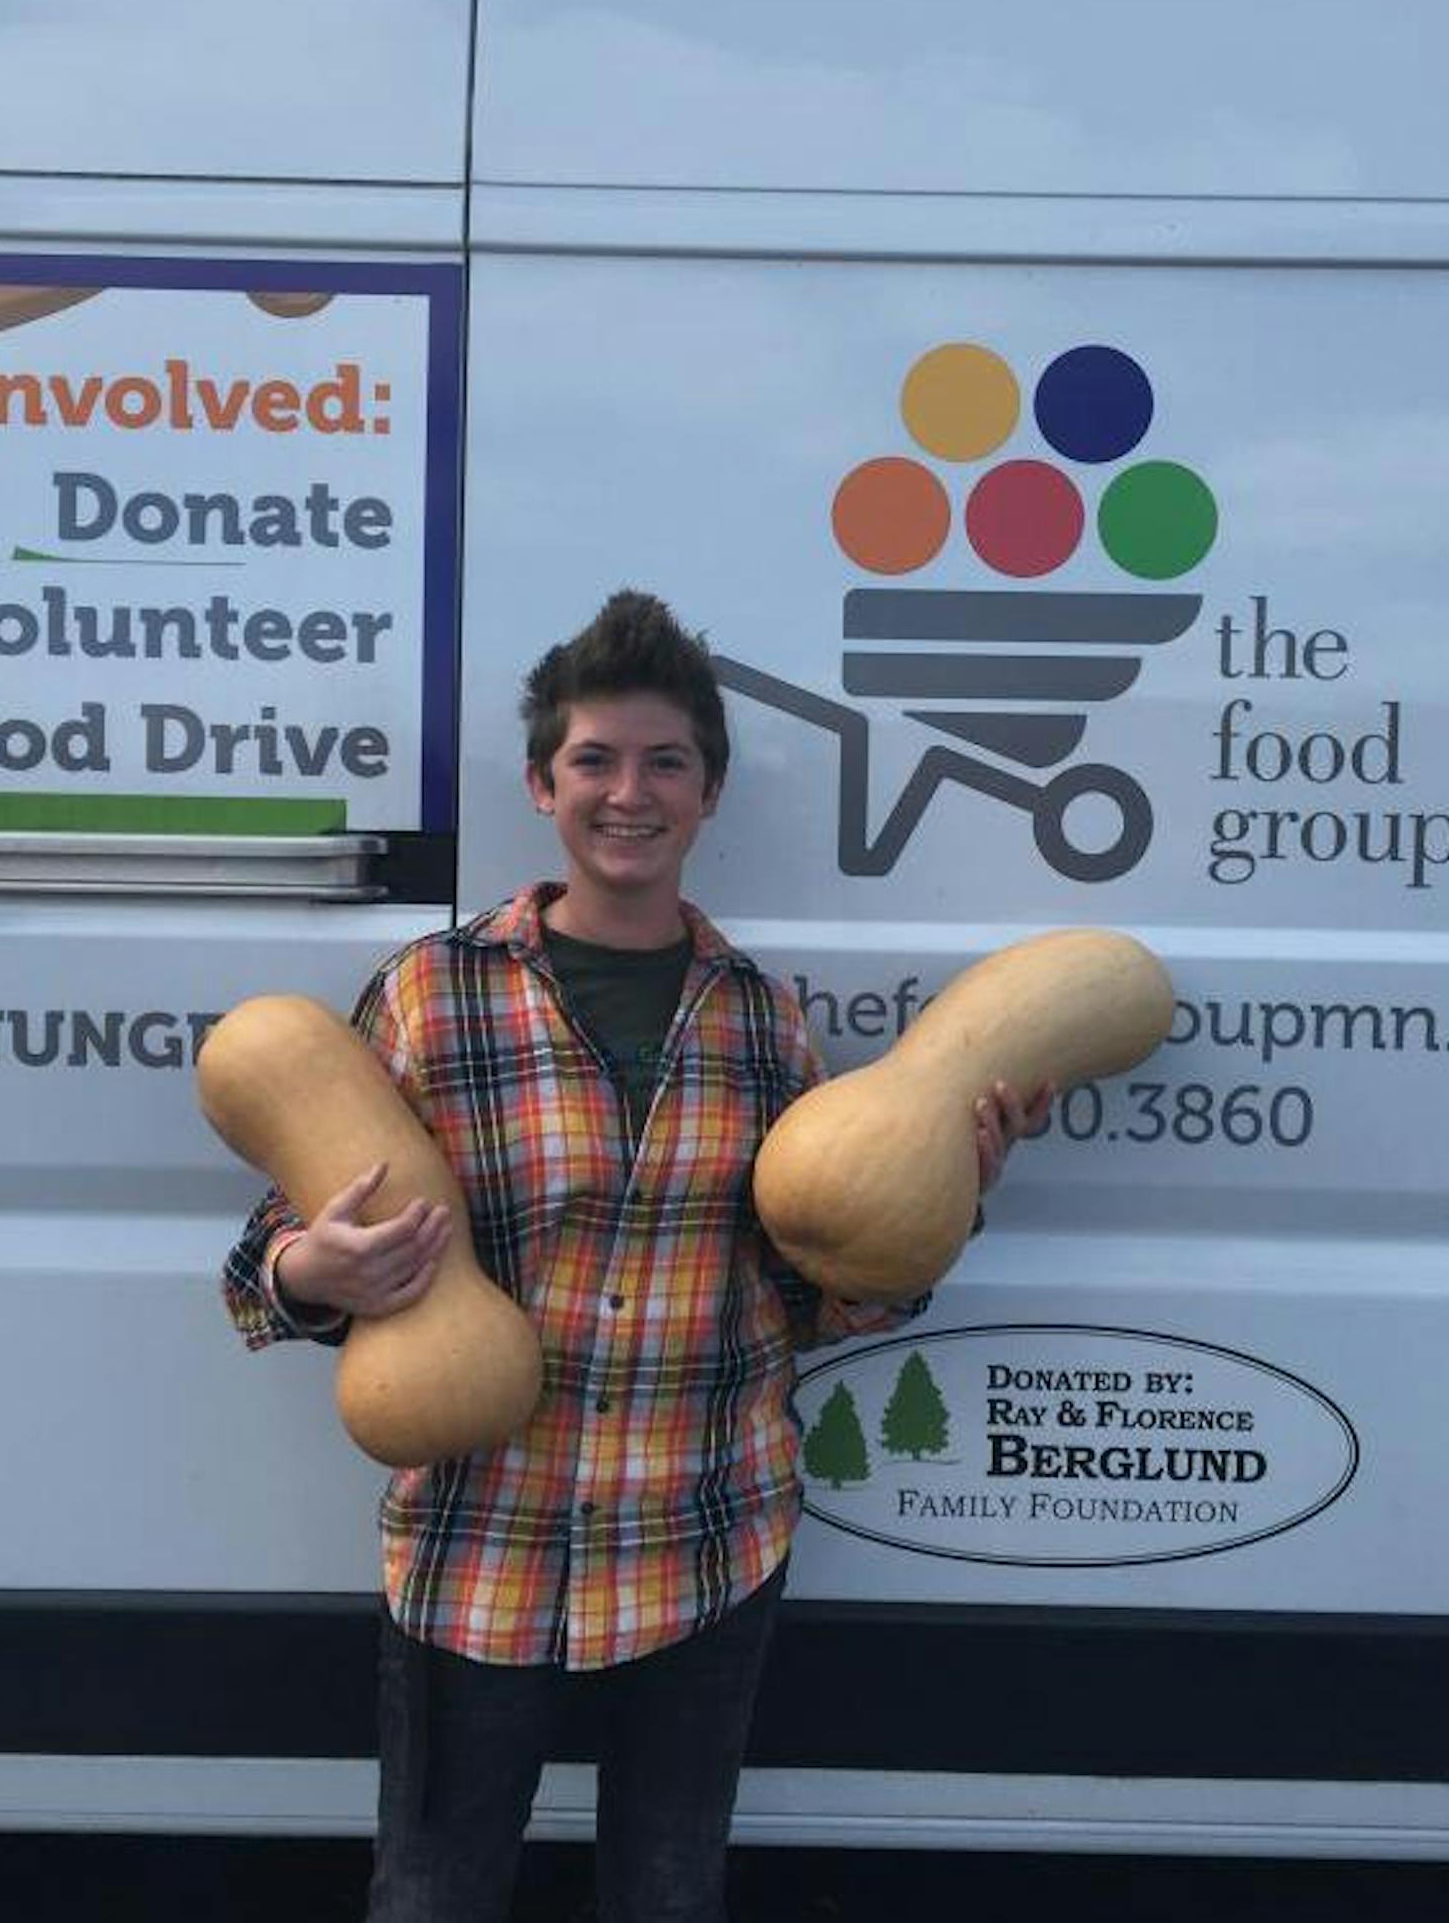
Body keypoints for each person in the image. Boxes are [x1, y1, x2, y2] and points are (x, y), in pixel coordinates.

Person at [220, 590, 1044, 1922]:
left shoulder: (764, 1022)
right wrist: (319, 1272)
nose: (629, 791)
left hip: (702, 1538)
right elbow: (274, 1244)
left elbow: (815, 1296)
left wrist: (943, 1187)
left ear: (708, 790)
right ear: (543, 783)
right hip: (480, 1543)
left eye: (665, 761)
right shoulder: (431, 993)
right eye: (596, 759)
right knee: (431, 1895)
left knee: (668, 1897)